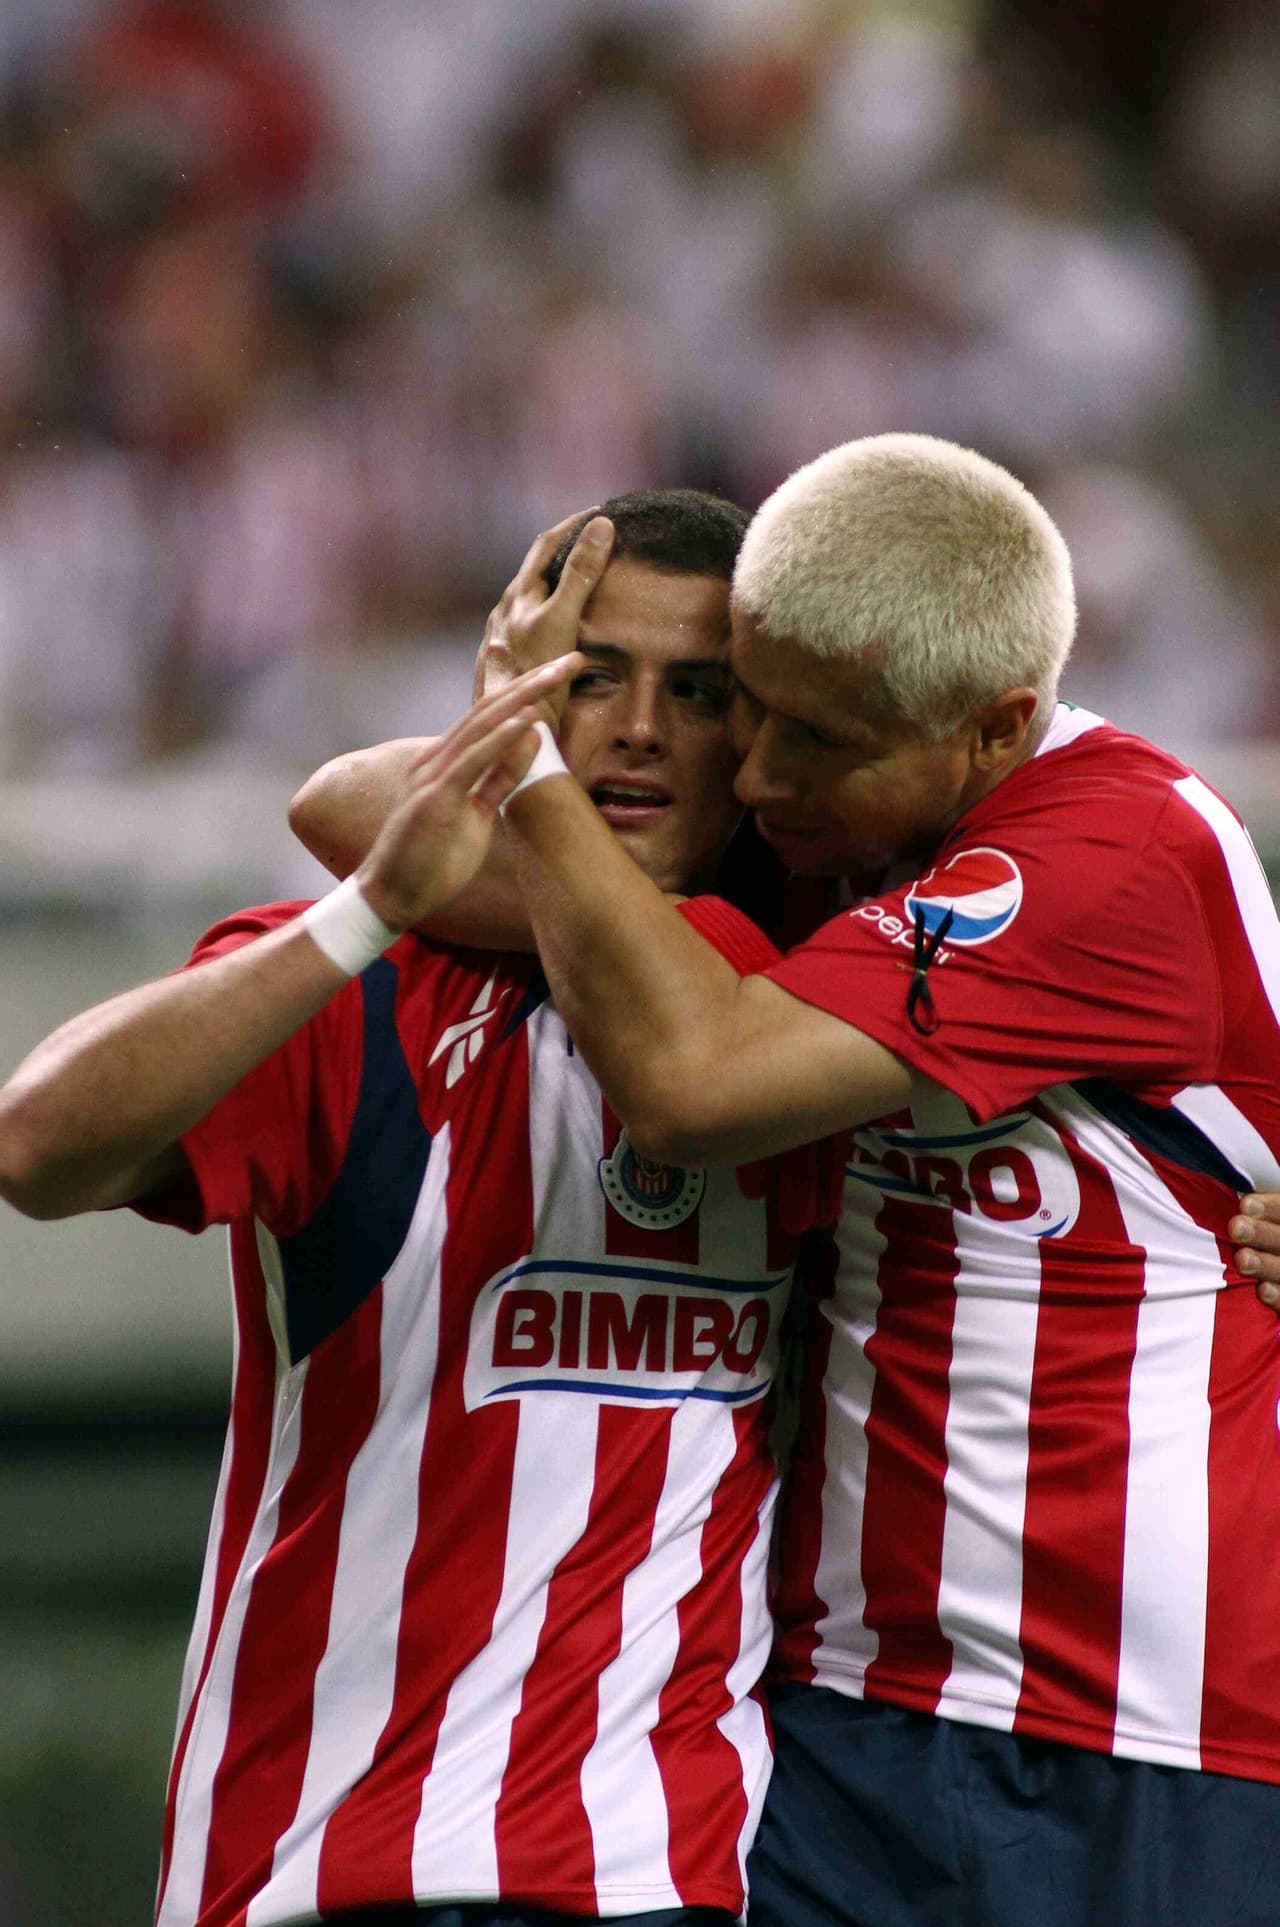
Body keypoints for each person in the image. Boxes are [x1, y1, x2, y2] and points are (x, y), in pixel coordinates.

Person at [406, 434, 1280, 1926]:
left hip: (1142, 1735)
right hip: (835, 1722)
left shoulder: (1116, 849)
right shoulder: (843, 833)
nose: (754, 777)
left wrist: (529, 766)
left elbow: (690, 1092)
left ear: (995, 729)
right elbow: (360, 821)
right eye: (751, 711)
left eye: (817, 740)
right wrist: (514, 759)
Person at [0, 489, 819, 1927]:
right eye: (588, 679)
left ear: (760, 739)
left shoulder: (806, 1018)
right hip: (327, 1866)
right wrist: (367, 905)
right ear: (518, 697)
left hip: (656, 1879)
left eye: (695, 693)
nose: (635, 728)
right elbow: (38, 1144)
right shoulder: (371, 989)